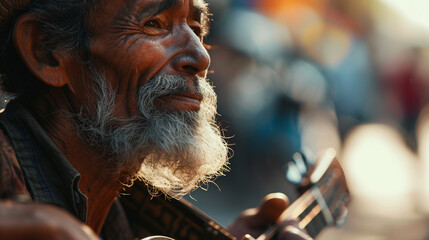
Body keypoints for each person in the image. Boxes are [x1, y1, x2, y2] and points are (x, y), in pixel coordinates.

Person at [0, 0, 312, 239]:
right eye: (155, 23)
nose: (201, 58)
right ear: (47, 51)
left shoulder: (115, 209)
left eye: (197, 29)